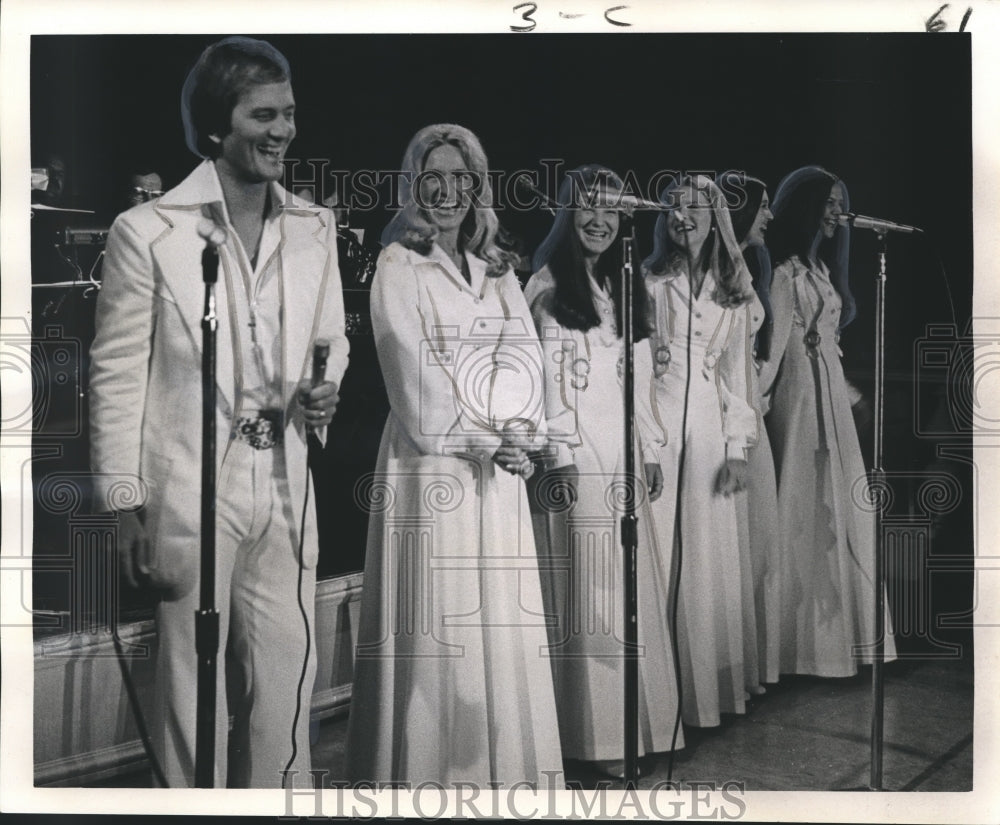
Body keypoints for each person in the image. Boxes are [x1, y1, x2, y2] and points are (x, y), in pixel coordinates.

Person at [88, 36, 349, 788]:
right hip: (192, 478)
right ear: (214, 127)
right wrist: (125, 503)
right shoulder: (148, 233)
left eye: (290, 113)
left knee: (286, 668)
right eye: (263, 114)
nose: (283, 131)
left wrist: (323, 389)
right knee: (191, 679)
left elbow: (331, 338)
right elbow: (115, 378)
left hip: (285, 472)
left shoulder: (314, 227)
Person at [345, 124, 563, 788]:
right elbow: (413, 378)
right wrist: (489, 435)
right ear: (415, 186)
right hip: (432, 463)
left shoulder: (496, 270)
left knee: (498, 619)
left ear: (475, 187)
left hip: (497, 473)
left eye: (458, 178)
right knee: (438, 622)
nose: (446, 191)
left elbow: (523, 357)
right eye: (431, 178)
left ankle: (500, 779)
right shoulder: (397, 265)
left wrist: (524, 432)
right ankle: (425, 782)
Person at [524, 165, 682, 777]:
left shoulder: (623, 283)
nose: (599, 220)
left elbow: (635, 379)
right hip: (578, 454)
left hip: (620, 449)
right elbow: (543, 382)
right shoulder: (545, 285)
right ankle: (595, 740)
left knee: (629, 585)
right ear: (567, 213)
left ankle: (639, 728)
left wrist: (648, 447)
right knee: (592, 595)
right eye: (588, 207)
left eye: (611, 211)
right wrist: (557, 457)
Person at [758, 165, 895, 677]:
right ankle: (802, 648)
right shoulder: (787, 273)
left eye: (841, 202)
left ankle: (844, 642)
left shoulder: (821, 272)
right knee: (803, 503)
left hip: (829, 394)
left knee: (840, 504)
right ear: (808, 207)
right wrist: (754, 403)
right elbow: (772, 353)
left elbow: (832, 347)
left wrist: (851, 396)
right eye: (830, 203)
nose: (838, 212)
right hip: (798, 396)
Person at [641, 174, 757, 728]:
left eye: (693, 207)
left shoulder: (732, 293)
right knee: (661, 553)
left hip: (710, 433)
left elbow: (736, 379)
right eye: (671, 209)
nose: (681, 217)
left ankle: (702, 697)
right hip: (659, 427)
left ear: (716, 217)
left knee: (705, 560)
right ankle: (662, 702)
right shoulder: (647, 281)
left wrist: (738, 447)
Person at [725, 172, 782, 688]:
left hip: (753, 406)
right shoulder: (719, 268)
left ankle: (753, 662)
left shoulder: (753, 262)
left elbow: (758, 347)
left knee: (760, 535)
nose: (769, 215)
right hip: (730, 407)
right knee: (734, 536)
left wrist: (760, 389)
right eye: (762, 206)